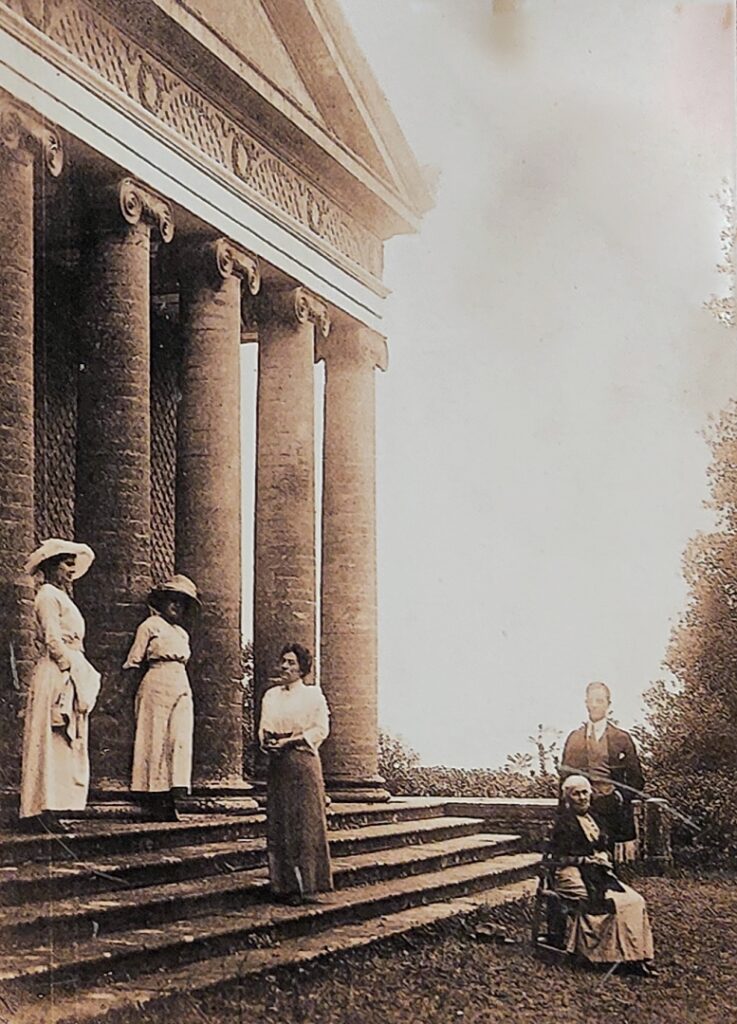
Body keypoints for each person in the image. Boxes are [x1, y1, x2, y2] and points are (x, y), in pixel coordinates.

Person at [20, 538, 100, 833]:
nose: (71, 570)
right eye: (67, 564)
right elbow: (52, 637)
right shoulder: (47, 596)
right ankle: (41, 809)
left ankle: (56, 807)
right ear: (51, 566)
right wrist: (70, 667)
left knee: (66, 742)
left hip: (70, 669)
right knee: (51, 737)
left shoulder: (63, 598)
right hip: (57, 671)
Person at [548, 774, 655, 975]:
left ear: (591, 793)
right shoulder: (563, 824)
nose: (581, 797)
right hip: (570, 875)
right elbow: (557, 859)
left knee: (635, 900)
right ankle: (605, 957)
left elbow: (603, 844)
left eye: (584, 792)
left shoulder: (595, 818)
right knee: (614, 903)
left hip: (597, 874)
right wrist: (587, 860)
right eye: (576, 794)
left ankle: (635, 956)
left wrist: (603, 855)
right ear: (568, 798)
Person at [258, 643, 333, 905]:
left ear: (302, 668)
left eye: (291, 663)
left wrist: (291, 741)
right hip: (278, 763)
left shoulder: (313, 696)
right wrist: (267, 742)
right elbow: (265, 726)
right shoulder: (271, 695)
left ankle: (308, 885)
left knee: (306, 822)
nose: (285, 667)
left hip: (302, 761)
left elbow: (320, 729)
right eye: (283, 662)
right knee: (280, 821)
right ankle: (284, 885)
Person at [123, 574, 199, 822]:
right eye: (173, 600)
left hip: (181, 682)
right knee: (155, 736)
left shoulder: (183, 634)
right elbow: (134, 660)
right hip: (156, 681)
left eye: (183, 602)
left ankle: (173, 792)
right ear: (163, 601)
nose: (177, 606)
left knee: (178, 738)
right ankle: (155, 796)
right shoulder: (150, 626)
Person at [560, 681, 644, 860]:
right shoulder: (575, 738)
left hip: (612, 807)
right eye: (592, 701)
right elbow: (564, 779)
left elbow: (637, 779)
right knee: (585, 860)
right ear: (586, 703)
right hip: (583, 807)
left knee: (611, 861)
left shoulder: (621, 738)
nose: (595, 705)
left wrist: (620, 797)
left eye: (600, 701)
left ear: (608, 704)